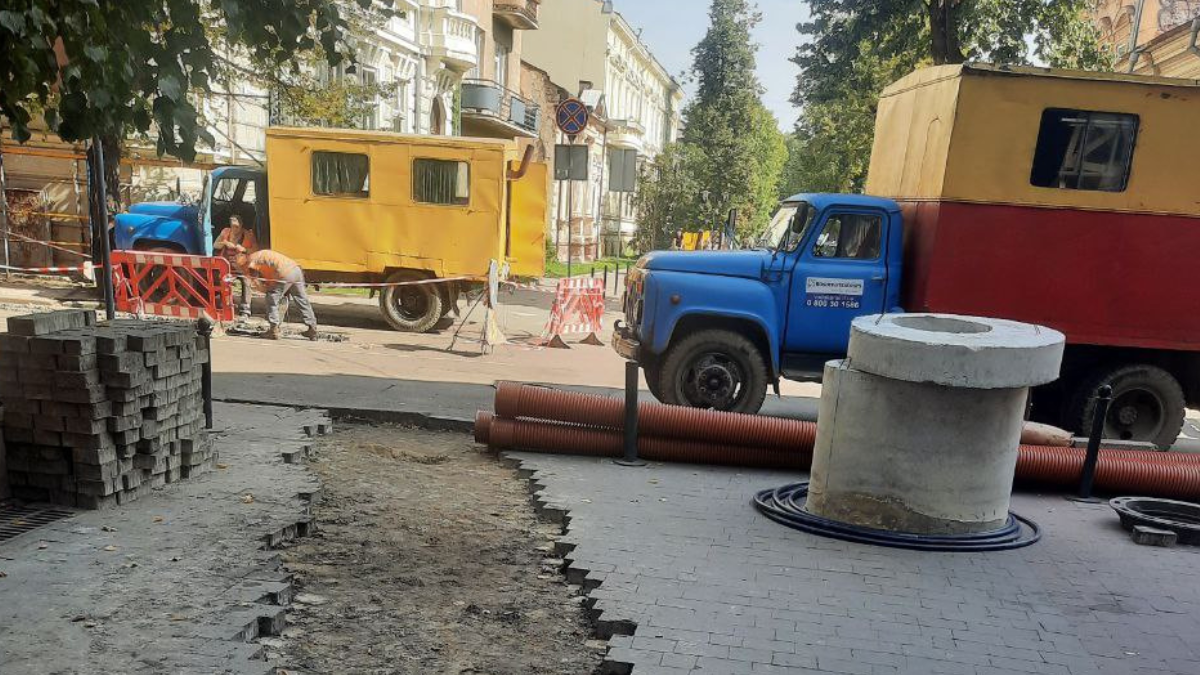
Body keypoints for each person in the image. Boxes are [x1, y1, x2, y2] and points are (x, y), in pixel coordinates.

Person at [235, 249, 319, 341]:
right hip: (296, 270)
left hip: (284, 273)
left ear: (243, 258)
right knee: (302, 300)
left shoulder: (251, 260)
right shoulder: (260, 255)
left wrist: (265, 290)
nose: (239, 267)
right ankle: (312, 329)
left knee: (272, 299)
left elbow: (256, 281)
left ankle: (273, 330)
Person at [214, 215, 259, 319]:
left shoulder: (248, 235)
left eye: (237, 226)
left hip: (242, 267)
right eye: (232, 226)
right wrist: (225, 243)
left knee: (246, 282)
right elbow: (215, 245)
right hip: (227, 266)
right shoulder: (225, 232)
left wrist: (244, 249)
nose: (235, 229)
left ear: (241, 225)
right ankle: (226, 306)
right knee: (223, 280)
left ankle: (245, 309)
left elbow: (256, 250)